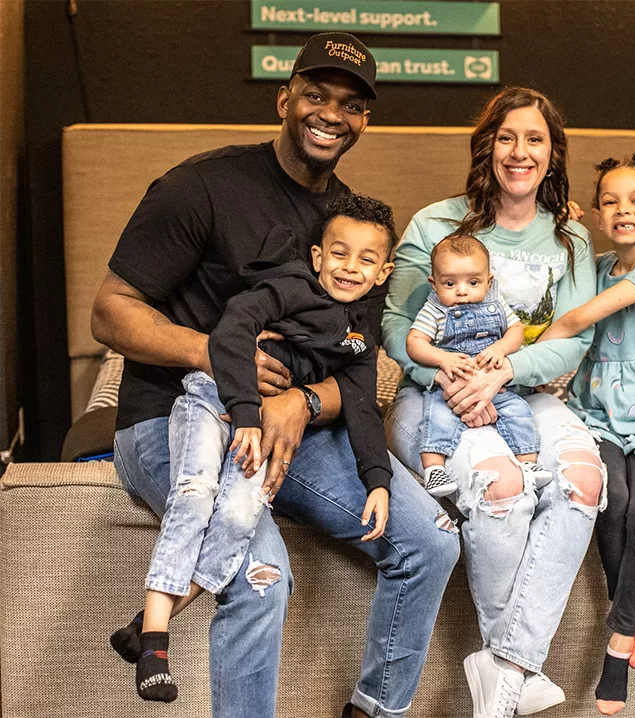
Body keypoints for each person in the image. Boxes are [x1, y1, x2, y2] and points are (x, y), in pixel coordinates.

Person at [91, 31, 460, 718]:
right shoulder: (200, 186)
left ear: (364, 122)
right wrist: (217, 354)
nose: (331, 113)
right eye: (316, 95)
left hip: (292, 429)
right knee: (261, 577)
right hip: (175, 413)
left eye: (350, 104)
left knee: (432, 540)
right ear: (284, 99)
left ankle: (374, 710)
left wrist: (302, 400)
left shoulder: (357, 230)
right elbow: (110, 314)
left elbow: (357, 360)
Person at [112, 193, 397, 703]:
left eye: (366, 260)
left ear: (383, 272)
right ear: (316, 256)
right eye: (338, 253)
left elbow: (360, 407)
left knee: (240, 514)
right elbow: (232, 329)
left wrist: (378, 481)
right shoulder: (290, 287)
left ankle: (150, 621)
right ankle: (156, 648)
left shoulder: (356, 338)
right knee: (197, 492)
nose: (349, 267)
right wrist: (244, 413)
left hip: (259, 427)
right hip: (215, 401)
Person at [383, 86, 606, 718]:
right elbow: (394, 327)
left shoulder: (569, 239)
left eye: (535, 138)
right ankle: (513, 678)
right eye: (507, 136)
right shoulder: (435, 224)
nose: (520, 151)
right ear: (487, 146)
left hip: (524, 393)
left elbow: (572, 341)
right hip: (434, 398)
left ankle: (504, 669)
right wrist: (454, 377)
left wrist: (501, 372)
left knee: (584, 482)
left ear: (552, 153)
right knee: (504, 488)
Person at [540, 154, 635, 715]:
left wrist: (535, 342)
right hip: (597, 414)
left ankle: (618, 647)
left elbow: (578, 318)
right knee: (613, 500)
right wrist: (571, 229)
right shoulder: (595, 265)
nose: (623, 209)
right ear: (599, 214)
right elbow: (555, 272)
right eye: (610, 201)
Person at [406, 232, 551, 498]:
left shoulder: (496, 303)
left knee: (519, 411)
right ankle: (434, 470)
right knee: (436, 417)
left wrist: (501, 348)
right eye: (449, 283)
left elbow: (516, 331)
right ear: (434, 284)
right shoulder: (435, 310)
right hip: (451, 392)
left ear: (488, 281)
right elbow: (415, 341)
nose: (462, 291)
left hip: (498, 388)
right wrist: (442, 358)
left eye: (473, 282)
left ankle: (528, 463)